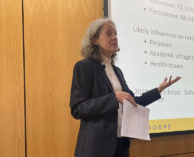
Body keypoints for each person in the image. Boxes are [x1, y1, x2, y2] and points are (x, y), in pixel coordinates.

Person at [69, 18, 181, 157]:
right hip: (96, 149)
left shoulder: (117, 71)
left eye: (116, 34)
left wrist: (158, 90)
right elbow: (78, 108)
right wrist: (113, 98)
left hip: (120, 146)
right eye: (109, 33)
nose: (114, 37)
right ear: (95, 40)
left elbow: (132, 101)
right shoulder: (85, 67)